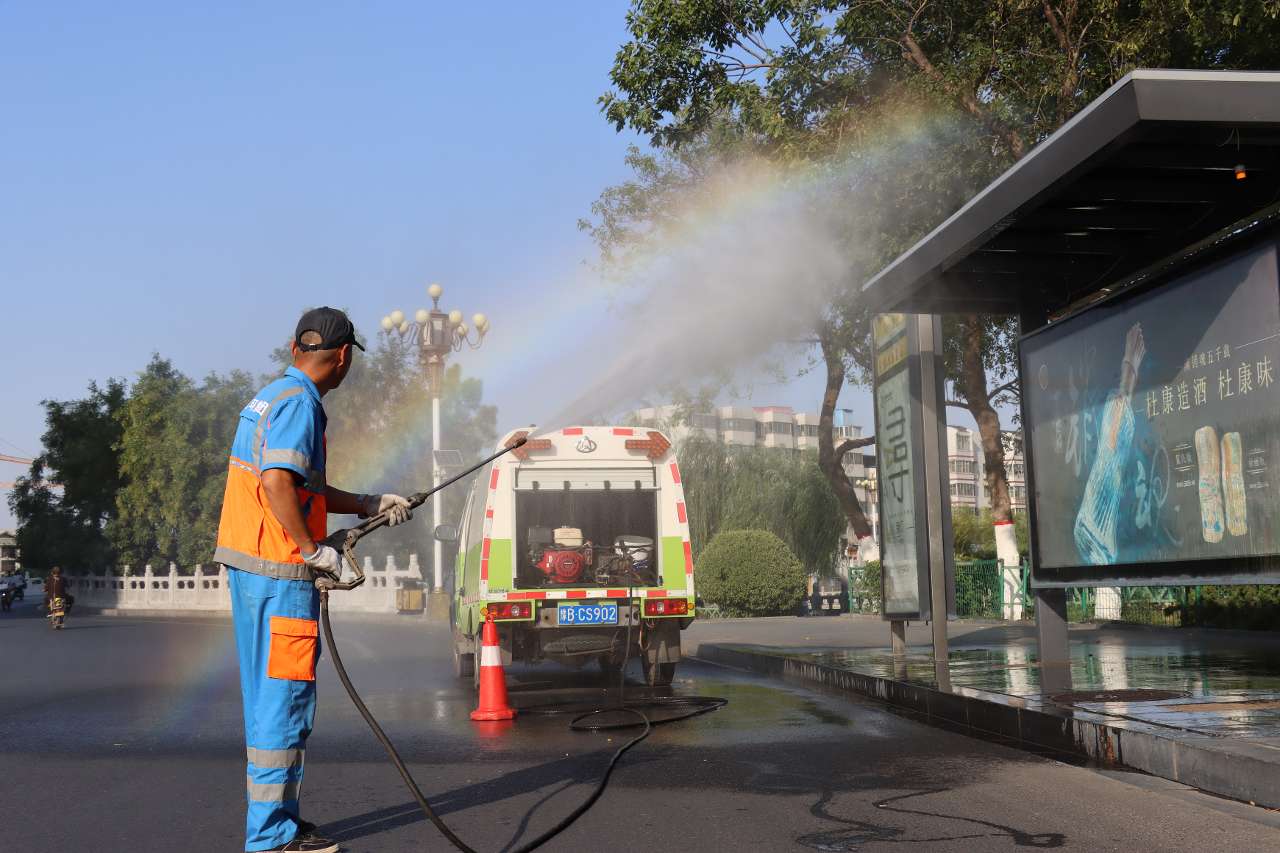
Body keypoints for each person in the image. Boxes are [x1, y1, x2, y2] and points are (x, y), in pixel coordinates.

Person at [214, 307, 413, 853]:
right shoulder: (302, 403)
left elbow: (300, 485)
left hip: (252, 569)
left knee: (267, 702)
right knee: (286, 700)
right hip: (281, 575)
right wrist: (313, 550)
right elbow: (279, 483)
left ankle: (276, 822)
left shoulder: (272, 395)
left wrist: (367, 503)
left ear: (296, 346)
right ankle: (272, 838)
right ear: (344, 356)